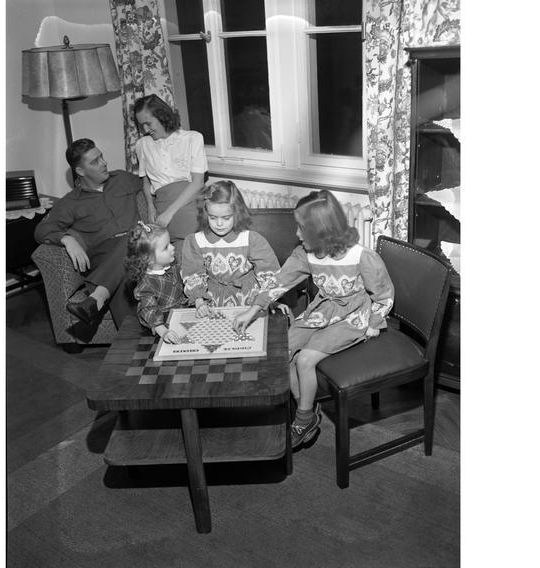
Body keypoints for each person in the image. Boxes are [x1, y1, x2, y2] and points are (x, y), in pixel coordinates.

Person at [232, 190, 395, 449]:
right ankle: (305, 408)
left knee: (305, 359)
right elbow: (278, 283)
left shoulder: (360, 256)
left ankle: (303, 417)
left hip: (352, 316)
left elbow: (384, 294)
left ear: (322, 230)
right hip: (322, 311)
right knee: (282, 351)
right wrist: (252, 310)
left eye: (301, 228)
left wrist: (374, 323)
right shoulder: (304, 254)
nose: (297, 234)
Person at [34, 138, 145, 343]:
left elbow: (153, 183)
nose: (103, 163)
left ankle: (98, 299)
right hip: (106, 257)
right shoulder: (70, 202)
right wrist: (67, 239)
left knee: (135, 238)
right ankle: (135, 348)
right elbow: (42, 230)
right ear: (80, 171)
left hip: (144, 248)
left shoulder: (122, 178)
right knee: (123, 280)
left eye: (101, 156)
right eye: (94, 162)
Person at [179, 180, 280, 316]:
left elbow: (270, 273)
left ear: (237, 213)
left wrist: (265, 300)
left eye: (226, 218)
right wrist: (199, 301)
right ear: (205, 213)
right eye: (213, 217)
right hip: (211, 301)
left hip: (250, 301)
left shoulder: (251, 240)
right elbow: (193, 274)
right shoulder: (196, 241)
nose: (219, 224)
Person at [133, 94, 207, 253]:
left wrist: (169, 213)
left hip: (190, 203)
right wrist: (151, 208)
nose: (145, 130)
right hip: (162, 207)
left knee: (191, 249)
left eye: (148, 123)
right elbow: (146, 181)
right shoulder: (142, 144)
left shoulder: (192, 138)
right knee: (162, 253)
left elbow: (198, 182)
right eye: (141, 125)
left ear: (162, 116)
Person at [125, 221, 190, 343]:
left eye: (170, 243)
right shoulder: (147, 284)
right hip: (162, 321)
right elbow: (149, 310)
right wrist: (163, 331)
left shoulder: (171, 264)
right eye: (166, 247)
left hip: (180, 311)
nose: (172, 247)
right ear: (148, 259)